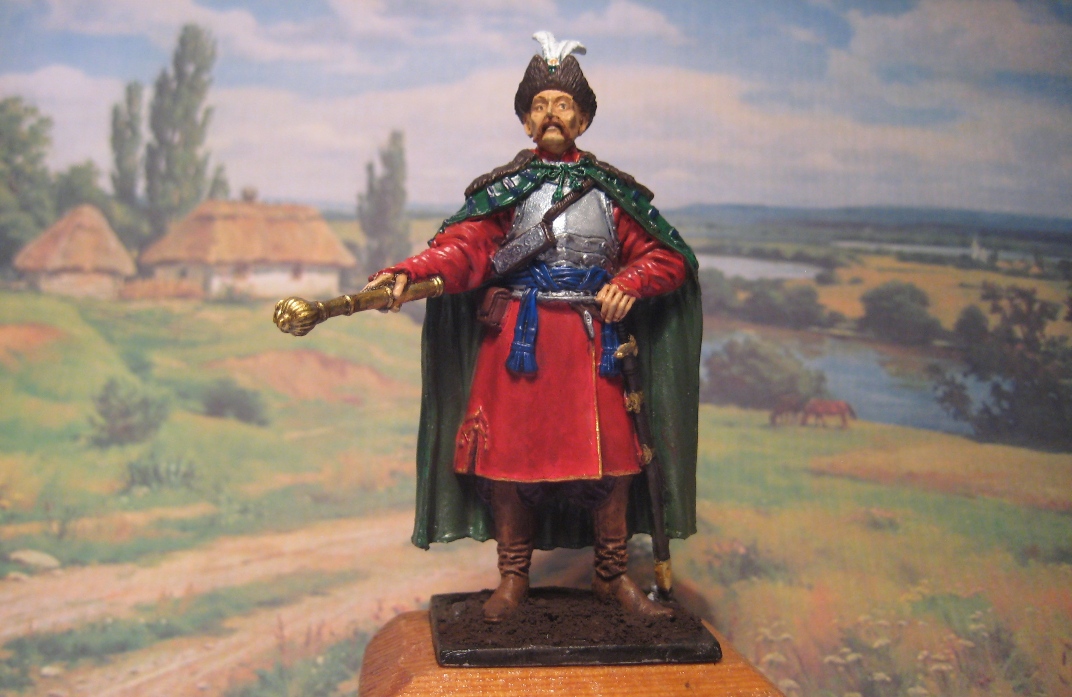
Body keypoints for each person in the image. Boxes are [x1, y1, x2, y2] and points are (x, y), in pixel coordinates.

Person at [367, 32, 702, 623]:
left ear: (584, 119)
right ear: (525, 120)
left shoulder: (613, 194)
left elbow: (668, 256)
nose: (552, 114)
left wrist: (632, 281)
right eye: (540, 105)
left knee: (615, 467)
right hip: (520, 347)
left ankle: (611, 576)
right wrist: (408, 272)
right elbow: (464, 251)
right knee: (509, 468)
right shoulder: (503, 192)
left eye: (564, 105)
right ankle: (513, 578)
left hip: (593, 347)